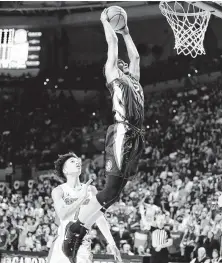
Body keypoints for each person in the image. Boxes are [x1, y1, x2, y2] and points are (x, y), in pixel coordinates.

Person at [62, 7, 145, 262]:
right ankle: (75, 229)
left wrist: (128, 32)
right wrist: (106, 23)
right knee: (109, 188)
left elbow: (136, 58)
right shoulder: (112, 74)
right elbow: (113, 44)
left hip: (136, 134)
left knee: (114, 193)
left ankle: (79, 228)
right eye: (118, 62)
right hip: (121, 131)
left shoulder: (134, 79)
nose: (122, 62)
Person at [47, 152, 121, 263]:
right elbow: (62, 214)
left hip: (82, 243)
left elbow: (99, 218)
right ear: (65, 170)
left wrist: (112, 243)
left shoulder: (91, 189)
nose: (77, 162)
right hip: (62, 242)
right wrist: (81, 198)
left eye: (77, 161)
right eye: (72, 161)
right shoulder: (59, 191)